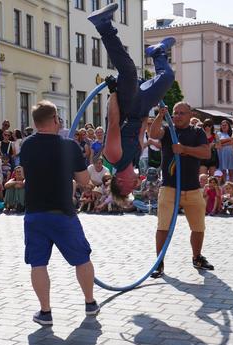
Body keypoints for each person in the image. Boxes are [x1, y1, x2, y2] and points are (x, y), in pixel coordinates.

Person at [19, 99, 98, 326]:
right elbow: (84, 181)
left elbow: (26, 174)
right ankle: (90, 303)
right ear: (55, 119)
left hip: (35, 213)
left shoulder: (27, 145)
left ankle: (45, 312)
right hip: (63, 213)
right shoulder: (69, 146)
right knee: (82, 259)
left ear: (35, 123)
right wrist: (89, 185)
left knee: (38, 263)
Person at [89, 2, 175, 202]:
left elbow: (113, 120)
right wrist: (152, 104)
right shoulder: (134, 158)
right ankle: (157, 52)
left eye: (129, 188)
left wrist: (113, 93)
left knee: (128, 70)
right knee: (167, 77)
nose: (135, 185)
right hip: (141, 107)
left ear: (120, 182)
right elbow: (141, 129)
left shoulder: (113, 155)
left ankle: (103, 26)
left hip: (126, 106)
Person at [148, 101, 213, 279]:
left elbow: (206, 153)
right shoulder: (169, 131)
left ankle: (197, 257)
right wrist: (160, 116)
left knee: (198, 227)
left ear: (190, 115)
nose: (176, 116)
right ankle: (158, 263)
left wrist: (184, 149)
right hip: (170, 187)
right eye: (175, 113)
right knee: (163, 226)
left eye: (181, 113)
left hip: (192, 188)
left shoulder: (197, 132)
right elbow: (153, 133)